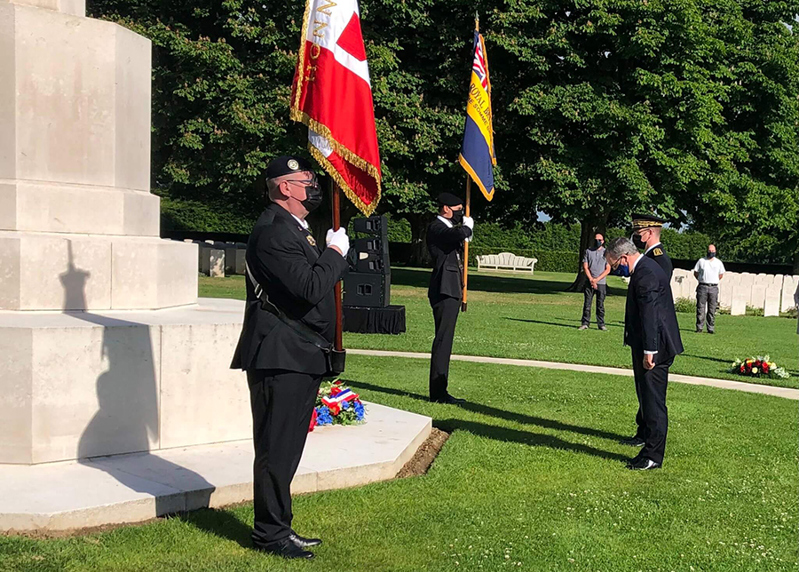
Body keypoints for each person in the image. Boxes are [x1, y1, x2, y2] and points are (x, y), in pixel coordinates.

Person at [231, 155, 350, 560]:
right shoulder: (272, 232)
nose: (313, 185)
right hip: (280, 354)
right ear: (285, 187)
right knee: (275, 448)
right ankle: (269, 534)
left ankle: (280, 525)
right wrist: (336, 253)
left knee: (288, 449)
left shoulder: (294, 229)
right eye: (306, 180)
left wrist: (328, 249)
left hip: (298, 354)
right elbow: (309, 287)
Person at [605, 237, 683, 471]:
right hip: (650, 344)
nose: (615, 269)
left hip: (656, 347)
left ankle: (653, 455)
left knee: (653, 402)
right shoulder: (646, 269)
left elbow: (650, 315)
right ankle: (648, 446)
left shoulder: (646, 272)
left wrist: (650, 350)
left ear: (624, 257)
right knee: (647, 398)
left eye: (614, 264)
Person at [427, 192, 474, 404]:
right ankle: (438, 392)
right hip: (444, 289)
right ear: (445, 208)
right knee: (443, 341)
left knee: (446, 340)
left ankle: (440, 388)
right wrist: (466, 228)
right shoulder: (437, 228)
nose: (460, 214)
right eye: (457, 210)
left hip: (452, 289)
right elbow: (452, 236)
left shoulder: (447, 229)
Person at [579, 233, 611, 331]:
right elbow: (585, 266)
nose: (598, 241)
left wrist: (597, 279)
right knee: (587, 304)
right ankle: (585, 323)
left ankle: (601, 324)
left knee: (600, 305)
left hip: (601, 283)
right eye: (596, 239)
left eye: (600, 240)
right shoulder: (588, 251)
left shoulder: (607, 253)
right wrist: (591, 279)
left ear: (603, 241)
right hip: (589, 282)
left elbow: (608, 269)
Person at [693, 245, 725, 334]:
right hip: (702, 286)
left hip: (713, 287)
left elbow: (721, 275)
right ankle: (699, 327)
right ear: (707, 251)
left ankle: (710, 327)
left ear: (715, 251)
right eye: (710, 250)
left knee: (712, 308)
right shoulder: (701, 261)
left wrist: (713, 280)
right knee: (700, 308)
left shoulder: (718, 262)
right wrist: (702, 280)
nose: (711, 252)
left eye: (713, 250)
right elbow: (696, 273)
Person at [631, 214, 673, 280]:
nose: (635, 236)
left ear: (650, 233)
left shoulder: (659, 259)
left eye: (638, 233)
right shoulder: (650, 255)